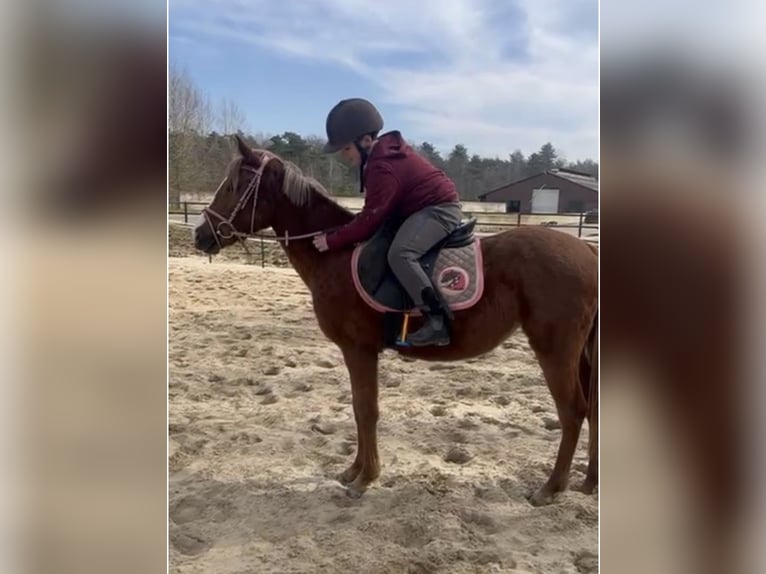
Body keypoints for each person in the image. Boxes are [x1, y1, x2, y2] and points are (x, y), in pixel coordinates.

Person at [312, 98, 463, 347]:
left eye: (346, 149)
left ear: (366, 141)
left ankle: (438, 321)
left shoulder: (382, 166)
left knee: (401, 254)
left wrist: (332, 240)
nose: (344, 155)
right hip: (418, 208)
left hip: (439, 210)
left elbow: (370, 219)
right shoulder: (380, 157)